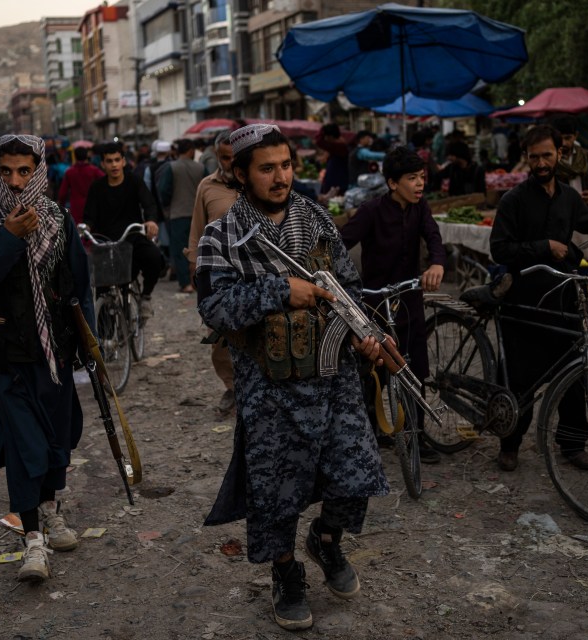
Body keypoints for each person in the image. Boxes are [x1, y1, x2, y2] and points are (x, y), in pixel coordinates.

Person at [196, 124, 389, 631]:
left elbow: (349, 289)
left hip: (333, 377)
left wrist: (366, 335)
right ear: (240, 174)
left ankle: (325, 541)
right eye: (266, 168)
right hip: (269, 388)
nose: (280, 177)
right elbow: (213, 308)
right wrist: (278, 291)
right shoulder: (222, 235)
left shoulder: (317, 219)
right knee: (276, 489)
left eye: (285, 165)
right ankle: (285, 573)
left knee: (357, 471)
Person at [0, 134, 96, 582]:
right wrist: (9, 240)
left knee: (58, 440)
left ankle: (52, 511)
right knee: (24, 447)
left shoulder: (57, 219)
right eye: (6, 171)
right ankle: (32, 541)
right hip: (7, 356)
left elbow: (78, 286)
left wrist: (89, 349)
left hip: (54, 353)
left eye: (25, 171)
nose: (15, 182)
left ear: (38, 170)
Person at [489, 125, 588, 473]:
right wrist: (543, 246)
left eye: (546, 155)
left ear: (559, 155)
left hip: (563, 297)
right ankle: (511, 443)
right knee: (521, 379)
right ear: (527, 158)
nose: (540, 163)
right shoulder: (513, 200)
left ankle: (572, 444)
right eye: (534, 157)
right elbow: (499, 249)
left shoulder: (568, 196)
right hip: (524, 302)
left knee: (573, 374)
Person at [339, 146, 447, 460]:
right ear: (392, 183)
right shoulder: (372, 210)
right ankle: (371, 433)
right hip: (375, 303)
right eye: (411, 178)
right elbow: (342, 242)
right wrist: (340, 278)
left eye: (422, 177)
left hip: (409, 300)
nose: (419, 184)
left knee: (414, 367)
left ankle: (417, 436)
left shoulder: (421, 208)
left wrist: (437, 264)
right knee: (376, 371)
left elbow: (434, 237)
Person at [187, 130, 239, 416]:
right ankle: (231, 387)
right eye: (224, 157)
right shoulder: (207, 186)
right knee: (219, 337)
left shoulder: (254, 184)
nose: (229, 163)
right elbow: (197, 227)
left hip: (251, 273)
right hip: (216, 272)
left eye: (234, 157)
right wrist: (194, 263)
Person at [83, 142, 164, 318]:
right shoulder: (97, 187)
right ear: (103, 164)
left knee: (154, 258)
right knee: (103, 292)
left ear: (123, 162)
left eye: (117, 160)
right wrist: (85, 227)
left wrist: (150, 221)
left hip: (132, 236)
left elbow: (148, 203)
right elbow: (89, 215)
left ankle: (146, 297)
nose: (113, 164)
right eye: (109, 161)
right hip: (106, 242)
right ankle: (106, 338)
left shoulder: (134, 181)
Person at [552, 116, 588, 260]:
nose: (564, 143)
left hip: (586, 221)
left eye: (568, 138)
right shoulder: (549, 160)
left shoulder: (587, 157)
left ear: (576, 135)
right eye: (560, 138)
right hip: (560, 224)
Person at [159, 139, 205, 292]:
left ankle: (185, 283)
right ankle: (200, 281)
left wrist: (168, 205)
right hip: (198, 214)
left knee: (180, 250)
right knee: (199, 248)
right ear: (190, 150)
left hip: (178, 214)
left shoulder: (171, 167)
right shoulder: (200, 168)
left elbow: (164, 191)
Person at [58, 146, 104, 225]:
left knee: (78, 231)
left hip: (76, 207)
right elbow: (105, 181)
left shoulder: (69, 172)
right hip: (92, 205)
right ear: (87, 156)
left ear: (75, 156)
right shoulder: (94, 170)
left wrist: (61, 205)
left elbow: (63, 193)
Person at [315, 123, 349, 195]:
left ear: (331, 136)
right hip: (335, 182)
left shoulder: (339, 146)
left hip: (336, 183)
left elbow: (318, 141)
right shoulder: (338, 146)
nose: (325, 139)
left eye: (326, 136)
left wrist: (323, 129)